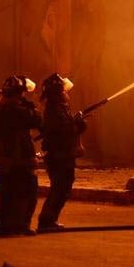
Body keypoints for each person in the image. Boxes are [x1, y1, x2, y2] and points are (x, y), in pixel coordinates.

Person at [0, 75, 42, 236]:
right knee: (28, 193)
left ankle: (6, 227)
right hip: (20, 160)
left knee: (8, 195)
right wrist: (29, 106)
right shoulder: (16, 111)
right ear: (19, 94)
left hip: (6, 160)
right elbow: (38, 120)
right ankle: (20, 225)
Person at [37, 73, 87, 232]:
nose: (67, 93)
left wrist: (77, 123)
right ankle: (46, 221)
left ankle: (50, 220)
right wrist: (77, 125)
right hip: (59, 157)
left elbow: (67, 129)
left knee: (62, 189)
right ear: (57, 94)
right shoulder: (54, 111)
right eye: (64, 91)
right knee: (59, 189)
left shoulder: (60, 110)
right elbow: (61, 132)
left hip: (64, 156)